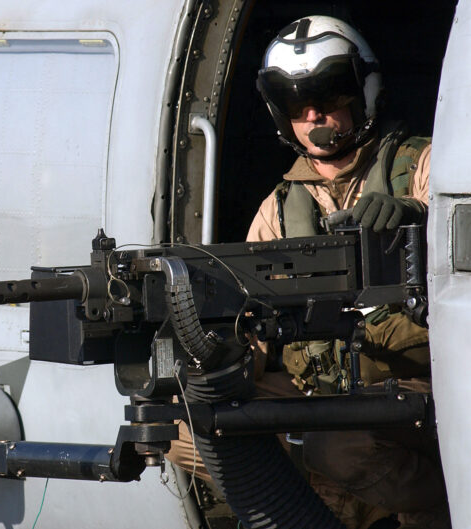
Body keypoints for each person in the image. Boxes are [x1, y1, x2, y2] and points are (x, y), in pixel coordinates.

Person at [168, 15, 450, 529]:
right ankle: (347, 504)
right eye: (298, 103)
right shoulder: (278, 211)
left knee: (337, 447)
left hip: (424, 390)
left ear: (363, 91)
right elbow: (247, 335)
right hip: (324, 393)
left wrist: (425, 226)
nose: (315, 113)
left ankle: (438, 506)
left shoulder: (428, 167)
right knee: (183, 426)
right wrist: (211, 357)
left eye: (329, 94)